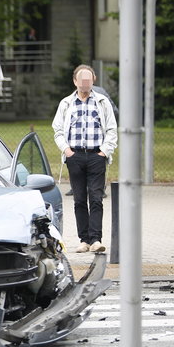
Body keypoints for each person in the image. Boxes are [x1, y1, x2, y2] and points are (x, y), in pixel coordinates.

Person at [53, 64, 118, 253]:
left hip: (97, 155)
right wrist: (67, 151)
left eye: (88, 80)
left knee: (96, 198)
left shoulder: (102, 102)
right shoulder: (66, 103)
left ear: (93, 80)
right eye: (82, 81)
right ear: (75, 81)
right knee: (79, 199)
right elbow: (57, 130)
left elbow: (112, 129)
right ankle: (84, 240)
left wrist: (105, 151)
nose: (85, 84)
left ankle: (96, 239)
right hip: (75, 156)